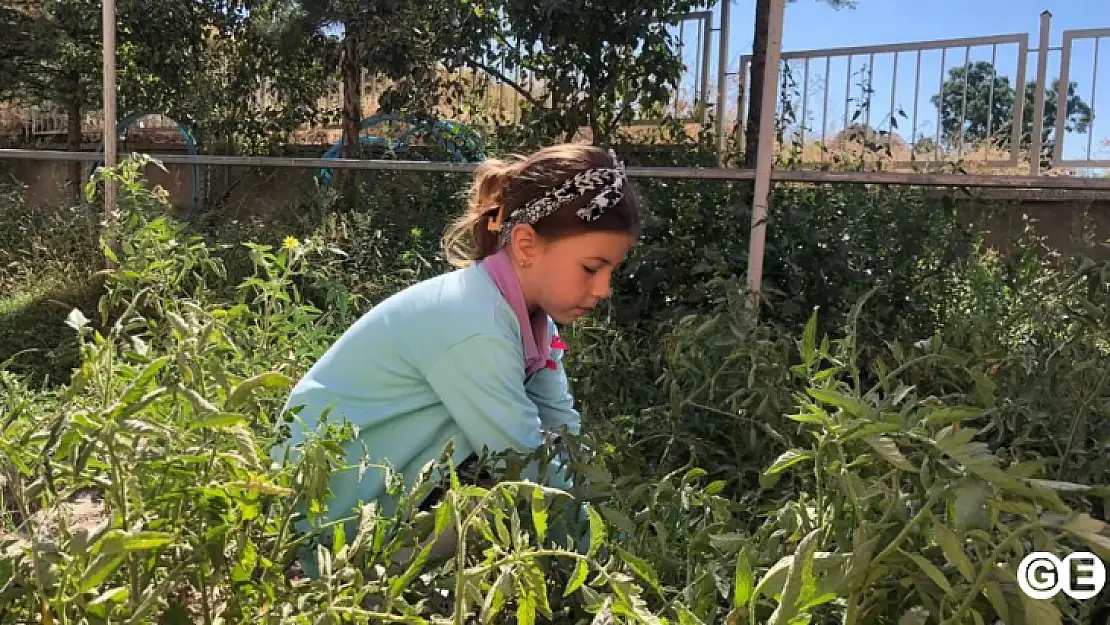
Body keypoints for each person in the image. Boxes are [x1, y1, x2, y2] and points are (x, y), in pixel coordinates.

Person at [271, 143, 644, 576]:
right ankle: (346, 577)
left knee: (510, 504)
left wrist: (600, 515)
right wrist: (602, 563)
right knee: (500, 507)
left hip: (384, 486)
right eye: (591, 268)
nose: (603, 289)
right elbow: (521, 458)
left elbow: (562, 428)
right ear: (525, 245)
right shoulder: (475, 324)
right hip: (327, 514)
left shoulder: (529, 318)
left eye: (611, 271)